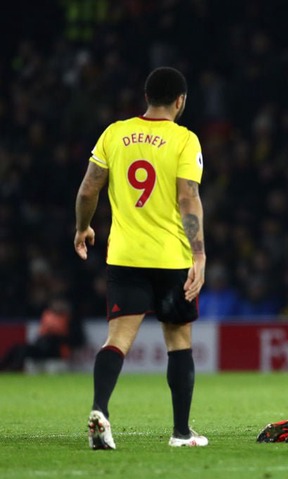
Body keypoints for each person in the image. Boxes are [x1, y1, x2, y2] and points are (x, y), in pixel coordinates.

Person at [74, 66, 209, 450]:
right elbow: (188, 197)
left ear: (147, 97)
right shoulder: (184, 140)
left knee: (117, 339)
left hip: (125, 256)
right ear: (180, 101)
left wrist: (83, 227)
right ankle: (181, 433)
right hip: (170, 258)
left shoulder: (114, 134)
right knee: (179, 340)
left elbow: (88, 189)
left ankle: (100, 410)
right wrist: (198, 254)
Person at [0, 298, 83, 372]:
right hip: (42, 346)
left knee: (24, 351)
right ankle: (3, 366)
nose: (57, 306)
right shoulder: (48, 316)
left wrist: (55, 337)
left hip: (57, 350)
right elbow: (40, 334)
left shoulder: (72, 320)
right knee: (18, 348)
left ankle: (14, 369)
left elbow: (77, 339)